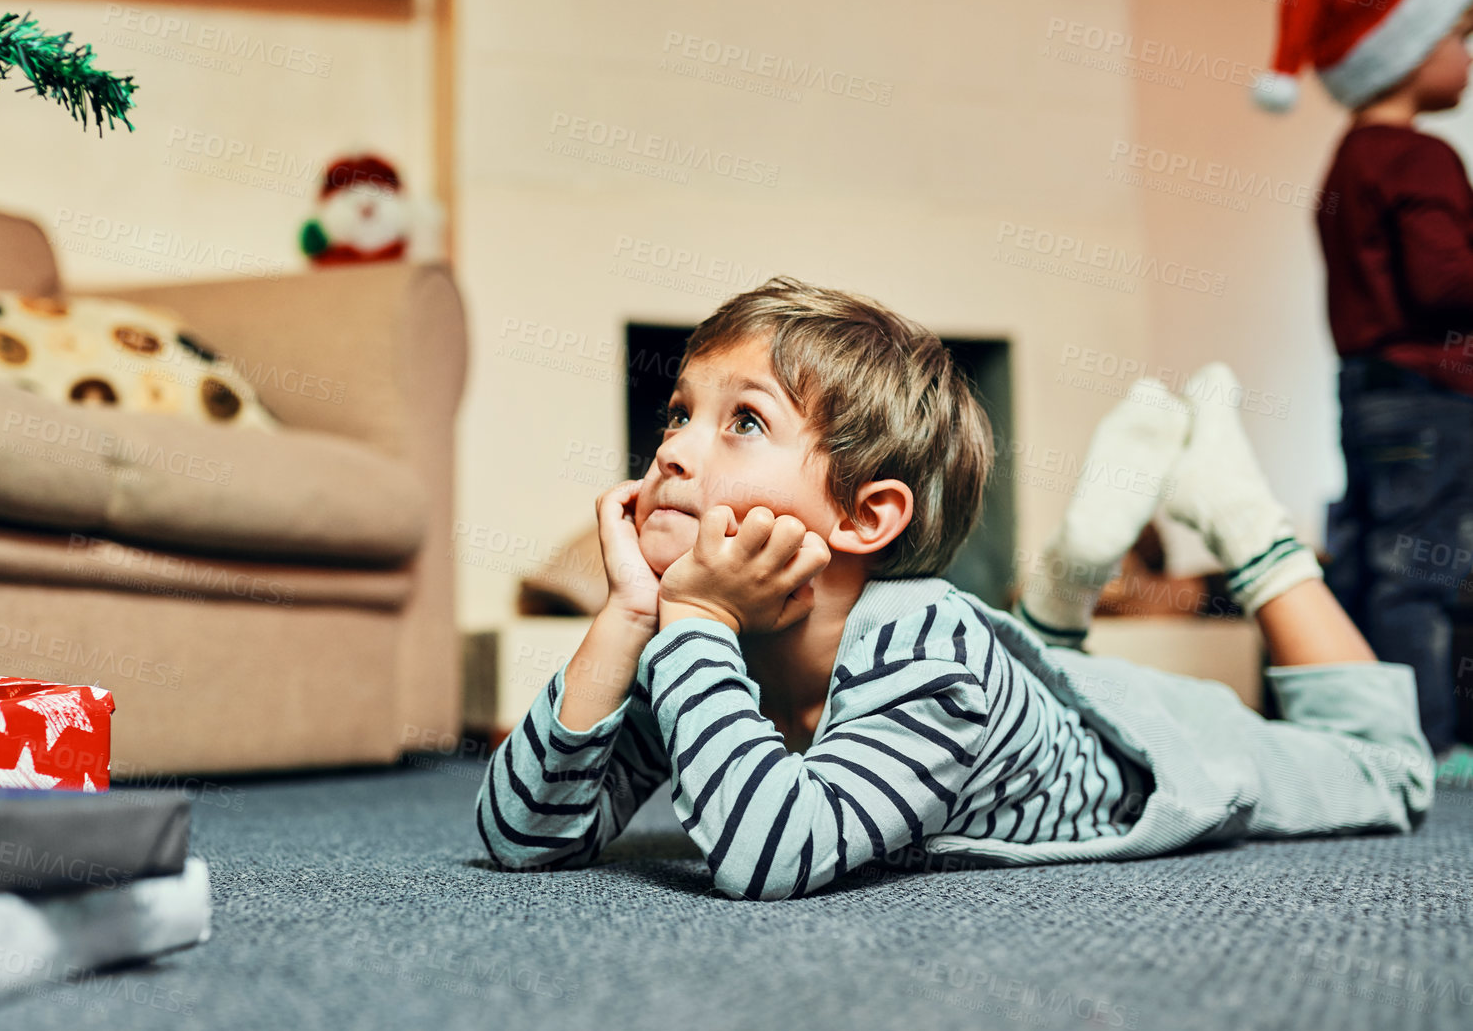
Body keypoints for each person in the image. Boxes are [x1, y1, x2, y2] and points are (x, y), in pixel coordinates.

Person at [473, 278, 1433, 901]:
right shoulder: (693, 637)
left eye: (744, 423)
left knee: (1388, 768)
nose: (675, 448)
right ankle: (1059, 595)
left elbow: (770, 855)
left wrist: (691, 619)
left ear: (863, 518)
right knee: (1038, 656)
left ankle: (1240, 516)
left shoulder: (920, 649)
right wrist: (627, 617)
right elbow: (519, 840)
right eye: (680, 414)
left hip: (1133, 745)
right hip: (1013, 687)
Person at [1254, 0, 1473, 758]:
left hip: (1365, 390)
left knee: (1372, 557)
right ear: (1407, 55)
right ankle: (1425, 746)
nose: (1468, 55)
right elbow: (1445, 286)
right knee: (1423, 568)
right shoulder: (1422, 157)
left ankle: (1356, 732)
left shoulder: (1347, 160)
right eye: (1459, 37)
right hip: (1431, 395)